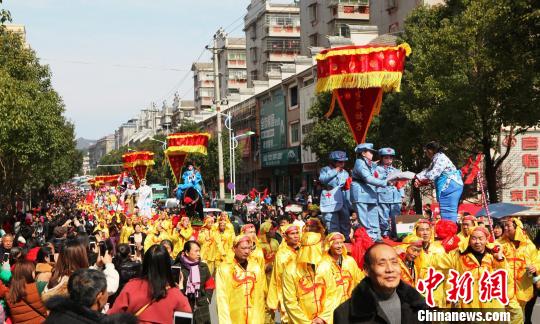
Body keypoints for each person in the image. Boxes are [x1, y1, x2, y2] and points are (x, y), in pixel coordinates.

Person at [334, 243, 427, 323]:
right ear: (366, 270)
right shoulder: (346, 313)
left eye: (394, 262)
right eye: (381, 264)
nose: (390, 269)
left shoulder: (418, 305)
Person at [109, 244, 192, 324]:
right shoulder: (175, 294)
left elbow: (113, 316)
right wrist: (180, 289)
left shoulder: (131, 287)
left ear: (145, 263)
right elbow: (186, 317)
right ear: (167, 265)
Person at [431, 226, 508, 309]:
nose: (477, 242)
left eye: (481, 238)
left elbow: (505, 275)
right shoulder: (459, 254)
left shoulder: (493, 255)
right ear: (469, 240)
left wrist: (499, 258)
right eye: (474, 238)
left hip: (490, 301)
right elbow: (436, 263)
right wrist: (445, 249)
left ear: (486, 240)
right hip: (468, 302)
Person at [282, 232, 338, 324]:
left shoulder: (325, 265)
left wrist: (322, 318)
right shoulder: (290, 270)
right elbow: (290, 302)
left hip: (325, 321)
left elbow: (332, 294)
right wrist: (307, 322)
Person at [215, 234, 266, 324]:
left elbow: (259, 297)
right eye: (243, 248)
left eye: (249, 248)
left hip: (254, 319)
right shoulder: (225, 269)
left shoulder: (255, 267)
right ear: (234, 249)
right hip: (234, 317)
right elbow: (221, 299)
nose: (247, 251)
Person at [498, 217, 540, 323]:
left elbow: (537, 260)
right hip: (506, 287)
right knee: (517, 315)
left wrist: (535, 267)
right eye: (505, 226)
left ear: (517, 228)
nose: (505, 228)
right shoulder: (499, 244)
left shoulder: (529, 245)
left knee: (517, 315)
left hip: (523, 287)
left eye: (508, 226)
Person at [414, 142, 463, 223]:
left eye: (426, 152)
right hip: (450, 185)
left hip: (450, 186)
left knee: (448, 212)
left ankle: (448, 233)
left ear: (430, 150)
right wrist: (417, 177)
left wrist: (419, 179)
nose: (426, 154)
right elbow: (428, 170)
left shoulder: (440, 158)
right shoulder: (437, 158)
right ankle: (448, 231)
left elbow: (434, 173)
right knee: (446, 212)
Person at [350, 143, 390, 242]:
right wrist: (385, 182)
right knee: (363, 217)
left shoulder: (369, 164)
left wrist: (390, 178)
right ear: (363, 153)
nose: (372, 154)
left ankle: (376, 236)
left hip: (369, 192)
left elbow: (375, 177)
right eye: (370, 152)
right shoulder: (359, 162)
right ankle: (369, 238)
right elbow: (368, 178)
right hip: (360, 192)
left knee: (373, 215)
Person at [317, 232, 364, 305]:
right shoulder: (323, 265)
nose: (340, 246)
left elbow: (358, 279)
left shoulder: (349, 261)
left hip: (350, 303)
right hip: (333, 307)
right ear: (329, 245)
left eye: (341, 243)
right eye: (336, 243)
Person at [174, 241, 214, 324]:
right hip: (184, 306)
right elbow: (173, 290)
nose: (199, 254)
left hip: (201, 306)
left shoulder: (203, 267)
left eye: (199, 251)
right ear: (187, 253)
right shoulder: (178, 268)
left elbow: (210, 284)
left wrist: (207, 298)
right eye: (196, 251)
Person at [266, 224, 300, 323]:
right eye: (292, 234)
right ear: (285, 237)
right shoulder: (281, 254)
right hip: (287, 294)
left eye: (297, 233)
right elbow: (276, 278)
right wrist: (274, 299)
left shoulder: (303, 250)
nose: (296, 236)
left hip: (302, 292)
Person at [319, 151, 351, 239]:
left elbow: (347, 188)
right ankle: (334, 241)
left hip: (342, 199)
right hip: (329, 199)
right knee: (332, 222)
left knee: (345, 221)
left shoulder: (345, 173)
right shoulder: (325, 170)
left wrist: (351, 206)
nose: (342, 163)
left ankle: (346, 239)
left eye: (343, 161)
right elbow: (322, 179)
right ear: (333, 161)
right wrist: (334, 171)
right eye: (339, 161)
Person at [375, 148, 404, 239]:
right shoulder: (376, 169)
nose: (389, 160)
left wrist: (402, 195)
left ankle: (397, 234)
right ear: (381, 158)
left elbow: (400, 184)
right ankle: (385, 233)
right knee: (383, 217)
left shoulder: (396, 170)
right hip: (382, 195)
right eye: (386, 158)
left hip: (395, 197)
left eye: (391, 158)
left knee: (396, 217)